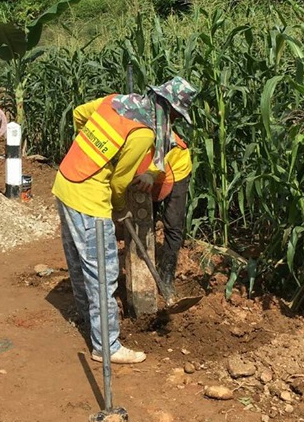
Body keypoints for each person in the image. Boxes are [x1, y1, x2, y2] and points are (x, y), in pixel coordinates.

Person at [51, 77, 196, 365]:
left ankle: (86, 319)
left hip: (65, 181)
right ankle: (107, 345)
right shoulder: (143, 133)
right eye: (176, 115)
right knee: (103, 273)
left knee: (79, 263)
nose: (175, 121)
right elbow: (119, 182)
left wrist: (88, 155)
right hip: (89, 198)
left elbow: (79, 114)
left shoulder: (115, 101)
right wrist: (119, 209)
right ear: (168, 109)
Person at [149, 132, 192, 289]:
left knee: (173, 222)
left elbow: (159, 159)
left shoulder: (159, 133)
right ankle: (147, 266)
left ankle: (167, 275)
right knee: (144, 220)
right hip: (147, 172)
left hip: (176, 169)